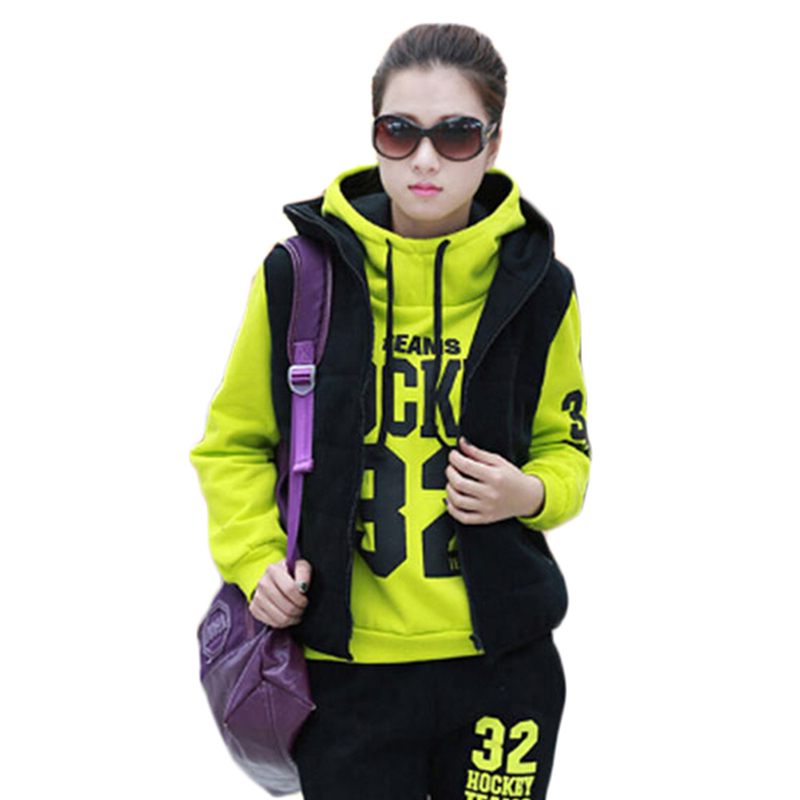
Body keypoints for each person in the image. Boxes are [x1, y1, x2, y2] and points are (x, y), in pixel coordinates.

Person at [190, 22, 590, 800]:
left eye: (457, 133)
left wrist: (530, 492)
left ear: (494, 145)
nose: (426, 159)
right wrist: (256, 561)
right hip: (343, 673)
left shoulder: (542, 287)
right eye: (400, 132)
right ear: (375, 136)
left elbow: (566, 447)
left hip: (503, 667)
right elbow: (233, 445)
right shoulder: (299, 276)